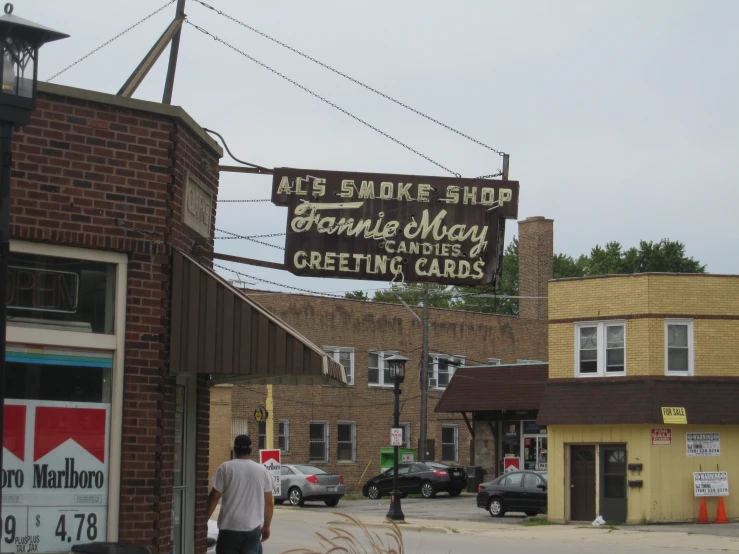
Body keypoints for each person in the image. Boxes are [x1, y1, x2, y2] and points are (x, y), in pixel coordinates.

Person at [207, 435, 274, 554]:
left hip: (229, 529)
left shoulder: (226, 468)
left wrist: (203, 522)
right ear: (251, 450)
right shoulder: (262, 471)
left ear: (235, 449)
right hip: (252, 530)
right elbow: (269, 503)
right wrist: (266, 526)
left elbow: (213, 498)